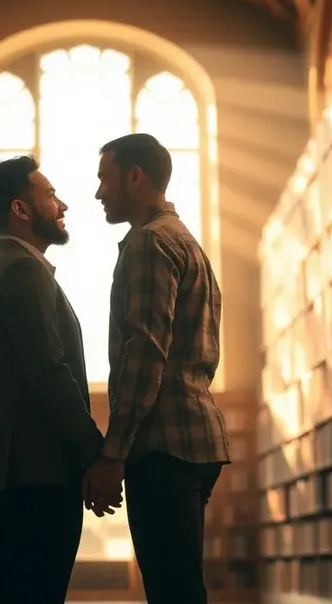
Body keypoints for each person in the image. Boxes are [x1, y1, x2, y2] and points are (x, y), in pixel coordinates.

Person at [82, 133, 231, 604]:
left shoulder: (150, 244)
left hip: (164, 443)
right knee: (180, 585)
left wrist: (113, 453)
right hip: (195, 438)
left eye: (104, 178)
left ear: (135, 177)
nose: (98, 192)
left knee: (172, 591)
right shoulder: (187, 242)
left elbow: (145, 355)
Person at [0, 155, 112, 604]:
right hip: (35, 474)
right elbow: (48, 372)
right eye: (49, 196)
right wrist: (95, 454)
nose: (62, 204)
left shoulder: (7, 269)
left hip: (18, 473)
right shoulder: (23, 271)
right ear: (20, 210)